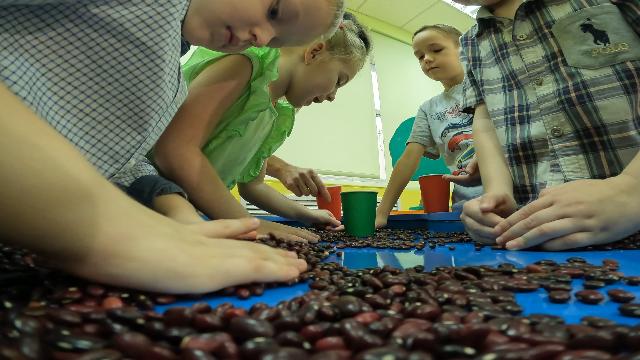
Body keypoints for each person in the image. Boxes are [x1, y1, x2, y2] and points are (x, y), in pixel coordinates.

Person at [0, 0, 345, 293]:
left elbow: (124, 164)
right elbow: (174, 153)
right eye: (273, 10)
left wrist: (177, 210)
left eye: (277, 40)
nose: (263, 36)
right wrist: (108, 234)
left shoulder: (171, 88)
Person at [142, 14, 372, 241]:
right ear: (314, 52)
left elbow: (253, 186)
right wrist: (248, 223)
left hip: (181, 219)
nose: (333, 97)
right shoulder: (244, 63)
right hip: (141, 201)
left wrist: (308, 215)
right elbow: (174, 150)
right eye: (339, 81)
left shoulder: (277, 112)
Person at [455, 0, 640, 250]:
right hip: (536, 232)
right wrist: (496, 191)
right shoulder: (470, 44)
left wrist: (629, 189)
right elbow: (486, 121)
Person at [375, 24, 482, 229]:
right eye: (419, 56)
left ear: (464, 49)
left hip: (515, 199)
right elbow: (408, 159)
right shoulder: (428, 109)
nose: (426, 58)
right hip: (466, 210)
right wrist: (382, 213)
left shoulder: (487, 85)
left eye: (436, 50)